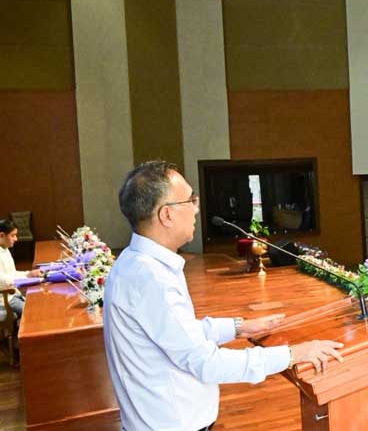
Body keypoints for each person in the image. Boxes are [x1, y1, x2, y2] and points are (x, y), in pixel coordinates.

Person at [104, 161, 344, 431]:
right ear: (167, 215)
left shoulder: (135, 264)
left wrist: (239, 327)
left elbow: (179, 334)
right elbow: (206, 362)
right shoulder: (151, 279)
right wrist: (294, 353)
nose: (196, 209)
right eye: (190, 200)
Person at [0, 219, 43, 325]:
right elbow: (3, 281)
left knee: (39, 303)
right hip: (5, 299)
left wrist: (28, 274)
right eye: (13, 235)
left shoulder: (4, 249)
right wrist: (25, 278)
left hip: (13, 294)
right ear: (1, 235)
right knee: (34, 313)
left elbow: (12, 273)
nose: (16, 239)